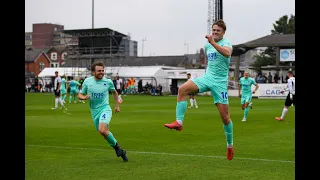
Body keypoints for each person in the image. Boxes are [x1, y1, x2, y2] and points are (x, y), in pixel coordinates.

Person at [164, 19, 234, 160]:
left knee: (225, 118)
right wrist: (211, 44)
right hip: (207, 78)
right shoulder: (207, 46)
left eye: (218, 31)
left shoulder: (226, 43)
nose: (214, 32)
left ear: (223, 32)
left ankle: (230, 146)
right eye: (213, 30)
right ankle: (179, 122)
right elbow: (212, 63)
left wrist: (213, 43)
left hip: (220, 83)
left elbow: (227, 53)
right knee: (182, 89)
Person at [78, 61, 128, 162]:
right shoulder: (87, 82)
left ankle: (117, 148)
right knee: (104, 133)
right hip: (94, 112)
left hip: (105, 109)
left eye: (102, 70)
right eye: (99, 71)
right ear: (93, 72)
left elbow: (115, 92)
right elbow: (80, 94)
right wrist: (84, 97)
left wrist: (117, 106)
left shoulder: (108, 82)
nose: (101, 72)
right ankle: (120, 150)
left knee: (102, 129)